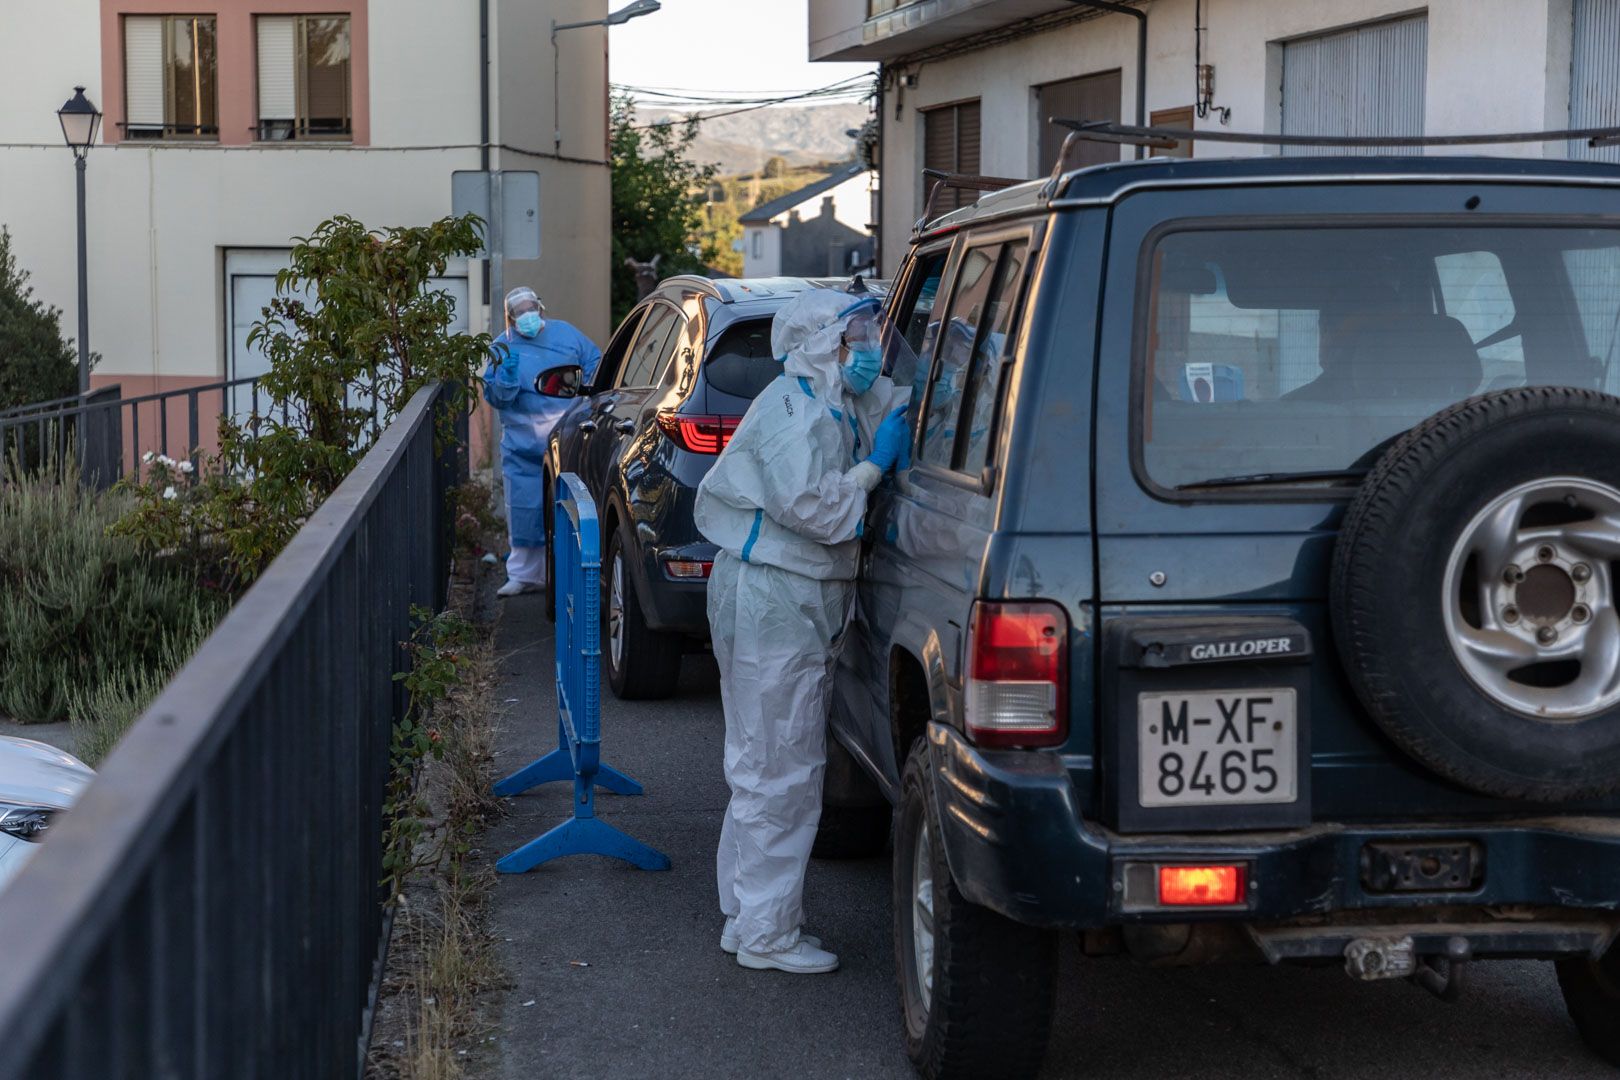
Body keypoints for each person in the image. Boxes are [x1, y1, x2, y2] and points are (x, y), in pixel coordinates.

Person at [694, 288, 911, 975]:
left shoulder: (820, 400)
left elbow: (874, 407)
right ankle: (767, 936)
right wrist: (875, 468)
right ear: (821, 342)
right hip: (775, 599)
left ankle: (746, 918)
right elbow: (812, 509)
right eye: (859, 335)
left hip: (782, 595)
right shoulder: (795, 415)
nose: (871, 346)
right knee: (782, 770)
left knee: (762, 766)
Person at [483, 287, 602, 597]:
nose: (527, 316)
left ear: (541, 307)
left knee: (570, 507)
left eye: (530, 308)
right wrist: (506, 379)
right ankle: (524, 575)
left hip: (566, 438)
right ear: (510, 318)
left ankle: (569, 574)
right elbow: (495, 396)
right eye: (519, 312)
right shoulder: (503, 347)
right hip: (522, 446)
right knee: (523, 509)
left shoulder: (567, 335)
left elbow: (595, 366)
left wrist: (581, 393)